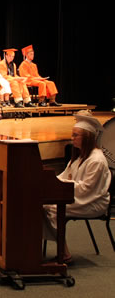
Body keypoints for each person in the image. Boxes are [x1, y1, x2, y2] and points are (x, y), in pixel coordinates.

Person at [43, 112, 111, 264]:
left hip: (94, 202)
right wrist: (51, 183)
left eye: (76, 135)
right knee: (44, 205)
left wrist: (59, 187)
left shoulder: (96, 160)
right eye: (72, 135)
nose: (72, 138)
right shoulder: (80, 157)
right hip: (78, 197)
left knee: (52, 208)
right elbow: (64, 176)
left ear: (87, 137)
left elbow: (86, 189)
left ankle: (64, 254)